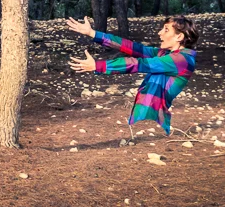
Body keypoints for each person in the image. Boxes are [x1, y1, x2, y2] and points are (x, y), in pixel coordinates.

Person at [66, 15, 198, 139]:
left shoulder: (181, 59)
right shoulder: (166, 54)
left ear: (179, 36)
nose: (160, 33)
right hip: (152, 112)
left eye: (166, 30)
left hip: (155, 116)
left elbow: (139, 64)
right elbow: (133, 48)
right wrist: (92, 33)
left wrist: (98, 65)